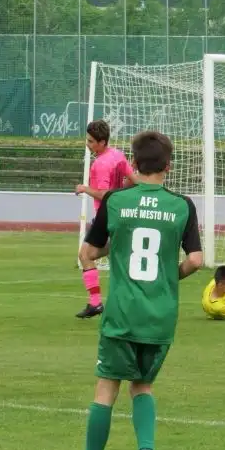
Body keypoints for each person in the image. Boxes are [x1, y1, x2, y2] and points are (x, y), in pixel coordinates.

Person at [76, 130, 203, 450]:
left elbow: (88, 253)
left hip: (122, 314)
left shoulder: (117, 200)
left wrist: (110, 252)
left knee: (106, 390)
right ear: (169, 166)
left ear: (133, 164)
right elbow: (196, 260)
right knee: (142, 386)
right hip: (160, 315)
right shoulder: (182, 205)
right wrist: (169, 275)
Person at [75, 119, 137, 319]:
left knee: (85, 255)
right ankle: (131, 304)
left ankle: (95, 303)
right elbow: (132, 181)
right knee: (119, 261)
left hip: (106, 215)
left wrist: (84, 189)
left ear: (102, 142)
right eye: (88, 140)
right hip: (121, 213)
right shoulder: (118, 155)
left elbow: (104, 195)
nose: (88, 144)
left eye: (92, 141)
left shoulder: (101, 164)